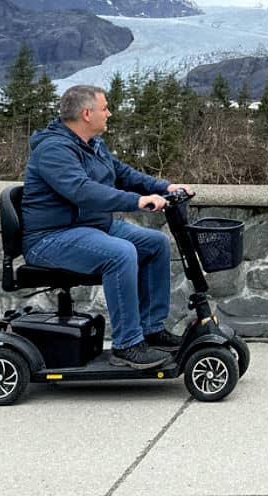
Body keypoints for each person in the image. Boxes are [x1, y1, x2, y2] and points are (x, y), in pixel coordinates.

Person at [21, 84, 194, 369]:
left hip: (90, 227)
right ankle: (127, 345)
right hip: (51, 237)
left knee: (155, 244)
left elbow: (122, 173)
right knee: (121, 252)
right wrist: (137, 201)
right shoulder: (53, 149)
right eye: (105, 108)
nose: (109, 114)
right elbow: (81, 191)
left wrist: (165, 187)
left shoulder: (92, 144)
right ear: (87, 113)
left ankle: (151, 329)